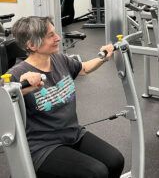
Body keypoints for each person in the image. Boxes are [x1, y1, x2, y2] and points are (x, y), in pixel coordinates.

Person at [8, 16, 124, 178]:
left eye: (55, 33)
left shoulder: (58, 59)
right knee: (96, 173)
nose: (58, 38)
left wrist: (103, 57)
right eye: (50, 35)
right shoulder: (17, 74)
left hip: (72, 133)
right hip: (43, 146)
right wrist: (21, 86)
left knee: (115, 161)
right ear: (31, 45)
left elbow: (83, 68)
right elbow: (4, 98)